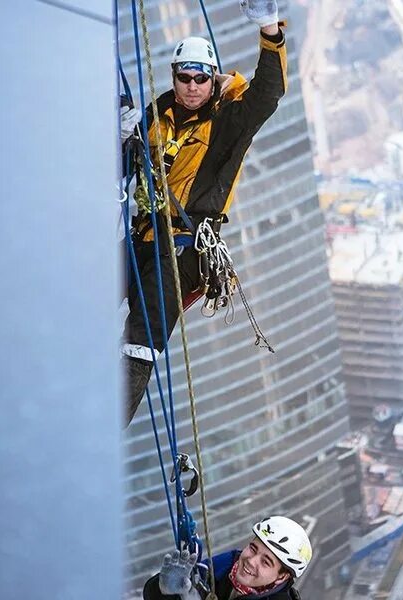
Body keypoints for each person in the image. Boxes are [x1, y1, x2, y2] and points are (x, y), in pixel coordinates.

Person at [120, 0, 286, 426]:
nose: (192, 86)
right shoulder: (157, 117)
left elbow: (267, 94)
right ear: (174, 78)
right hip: (142, 236)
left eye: (200, 78)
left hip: (186, 248)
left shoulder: (229, 120)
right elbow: (127, 170)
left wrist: (268, 29)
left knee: (143, 335)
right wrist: (121, 136)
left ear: (213, 79)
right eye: (184, 77)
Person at [143, 516, 312, 600]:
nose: (251, 561)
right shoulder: (226, 565)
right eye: (253, 549)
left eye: (266, 562)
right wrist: (163, 591)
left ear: (281, 576)